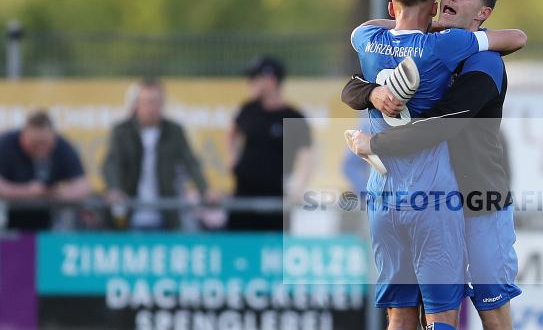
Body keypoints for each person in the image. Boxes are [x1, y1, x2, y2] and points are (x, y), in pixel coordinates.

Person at [344, 0, 527, 330]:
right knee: (435, 318)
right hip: (435, 199)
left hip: (480, 200)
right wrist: (370, 93)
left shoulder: (481, 61)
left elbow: (447, 123)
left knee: (491, 321)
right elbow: (355, 84)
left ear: (481, 12)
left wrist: (373, 134)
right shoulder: (443, 47)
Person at [102, 78, 211, 230]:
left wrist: (205, 190)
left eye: (154, 102)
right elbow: (112, 163)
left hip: (165, 215)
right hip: (130, 214)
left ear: (162, 104)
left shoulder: (174, 131)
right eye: (145, 102)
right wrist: (115, 188)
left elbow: (190, 162)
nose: (150, 107)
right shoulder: (122, 132)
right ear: (137, 104)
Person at [227, 56, 314, 231]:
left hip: (276, 197)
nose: (250, 83)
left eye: (255, 78)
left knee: (273, 249)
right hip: (244, 194)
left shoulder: (293, 116)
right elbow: (232, 132)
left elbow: (306, 154)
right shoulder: (248, 109)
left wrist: (299, 186)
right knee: (238, 246)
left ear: (271, 80)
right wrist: (233, 159)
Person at [0, 111, 90, 231]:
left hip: (48, 224)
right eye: (35, 143)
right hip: (7, 222)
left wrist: (58, 193)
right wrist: (27, 191)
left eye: (45, 143)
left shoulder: (61, 145)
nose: (41, 148)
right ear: (24, 136)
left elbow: (83, 185)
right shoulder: (5, 145)